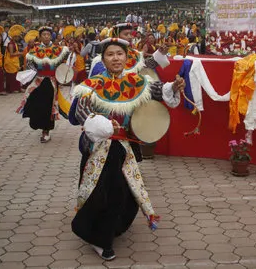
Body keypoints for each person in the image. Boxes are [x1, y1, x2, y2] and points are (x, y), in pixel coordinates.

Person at [68, 38, 185, 260]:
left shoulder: (137, 82)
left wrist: (174, 87)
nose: (115, 58)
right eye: (110, 54)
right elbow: (81, 112)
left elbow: (160, 90)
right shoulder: (91, 85)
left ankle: (111, 227)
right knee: (104, 192)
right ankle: (99, 238)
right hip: (98, 148)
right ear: (103, 59)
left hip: (123, 147)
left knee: (122, 192)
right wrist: (99, 124)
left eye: (119, 54)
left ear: (127, 57)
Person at [16, 26, 69, 143]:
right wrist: (33, 72)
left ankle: (46, 130)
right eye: (43, 34)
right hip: (38, 81)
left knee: (49, 106)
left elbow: (63, 63)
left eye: (48, 35)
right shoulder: (34, 50)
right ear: (40, 37)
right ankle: (38, 124)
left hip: (51, 81)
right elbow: (30, 64)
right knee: (35, 102)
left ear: (51, 36)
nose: (46, 36)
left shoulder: (57, 49)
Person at [88, 23, 170, 77]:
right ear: (117, 36)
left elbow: (147, 66)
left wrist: (160, 53)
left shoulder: (136, 55)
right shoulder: (101, 61)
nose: (130, 37)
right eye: (126, 34)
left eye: (131, 34)